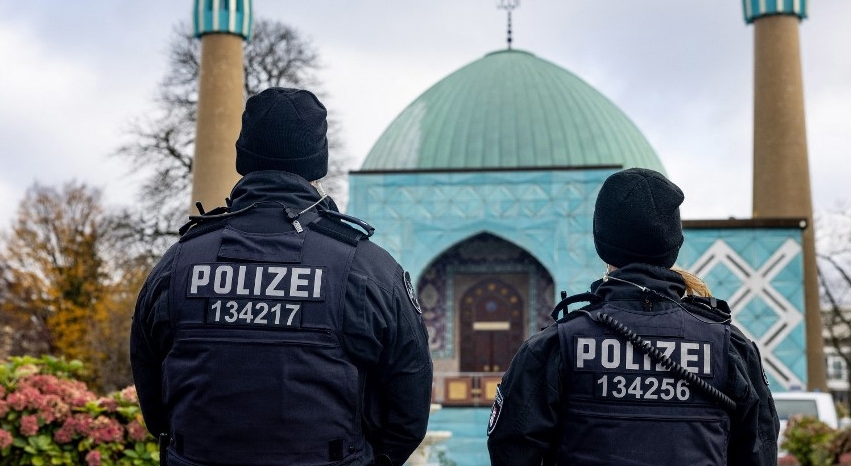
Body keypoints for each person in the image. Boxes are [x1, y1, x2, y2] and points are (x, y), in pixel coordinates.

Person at [131, 87, 433, 466]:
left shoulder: (178, 264)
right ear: (317, 165)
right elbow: (407, 413)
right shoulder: (367, 269)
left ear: (244, 156)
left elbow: (155, 406)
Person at [486, 168, 779, 466]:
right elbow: (759, 451)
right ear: (672, 245)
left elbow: (511, 451)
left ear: (602, 242)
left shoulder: (555, 346)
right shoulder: (729, 347)